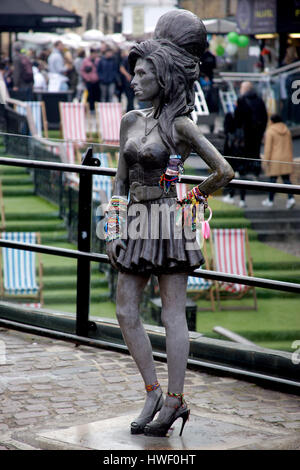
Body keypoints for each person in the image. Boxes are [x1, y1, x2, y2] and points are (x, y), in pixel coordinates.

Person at [104, 9, 234, 437]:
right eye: (133, 73)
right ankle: (153, 391)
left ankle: (175, 399)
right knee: (126, 310)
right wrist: (114, 226)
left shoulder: (180, 125)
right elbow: (119, 180)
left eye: (142, 74)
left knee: (173, 315)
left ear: (163, 78)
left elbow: (223, 171)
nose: (133, 80)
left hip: (167, 219)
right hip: (137, 223)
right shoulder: (129, 122)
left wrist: (191, 198)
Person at [223, 81, 268, 207]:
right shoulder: (259, 101)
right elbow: (264, 118)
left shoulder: (242, 101)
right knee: (247, 164)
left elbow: (237, 121)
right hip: (255, 138)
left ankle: (234, 196)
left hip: (242, 141)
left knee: (238, 169)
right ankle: (255, 172)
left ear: (245, 89)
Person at [262, 114, 295, 209]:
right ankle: (291, 198)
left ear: (272, 121)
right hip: (286, 159)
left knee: (272, 181)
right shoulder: (287, 130)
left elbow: (268, 148)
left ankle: (270, 200)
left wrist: (266, 161)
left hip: (275, 159)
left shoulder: (270, 131)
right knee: (286, 179)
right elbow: (290, 146)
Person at [80, 47, 100, 111]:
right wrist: (87, 78)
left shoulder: (98, 60)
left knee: (97, 95)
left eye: (96, 53)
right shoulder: (86, 61)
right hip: (89, 81)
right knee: (89, 96)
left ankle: (96, 109)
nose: (95, 55)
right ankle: (91, 109)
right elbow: (82, 71)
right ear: (91, 53)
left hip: (97, 81)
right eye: (94, 53)